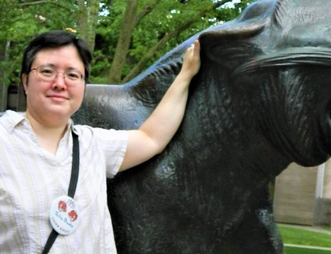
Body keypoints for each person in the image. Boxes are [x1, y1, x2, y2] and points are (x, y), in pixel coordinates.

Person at [0, 30, 201, 253]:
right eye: (47, 72)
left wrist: (185, 76)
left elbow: (151, 138)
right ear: (26, 82)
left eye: (73, 75)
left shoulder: (92, 144)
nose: (59, 83)